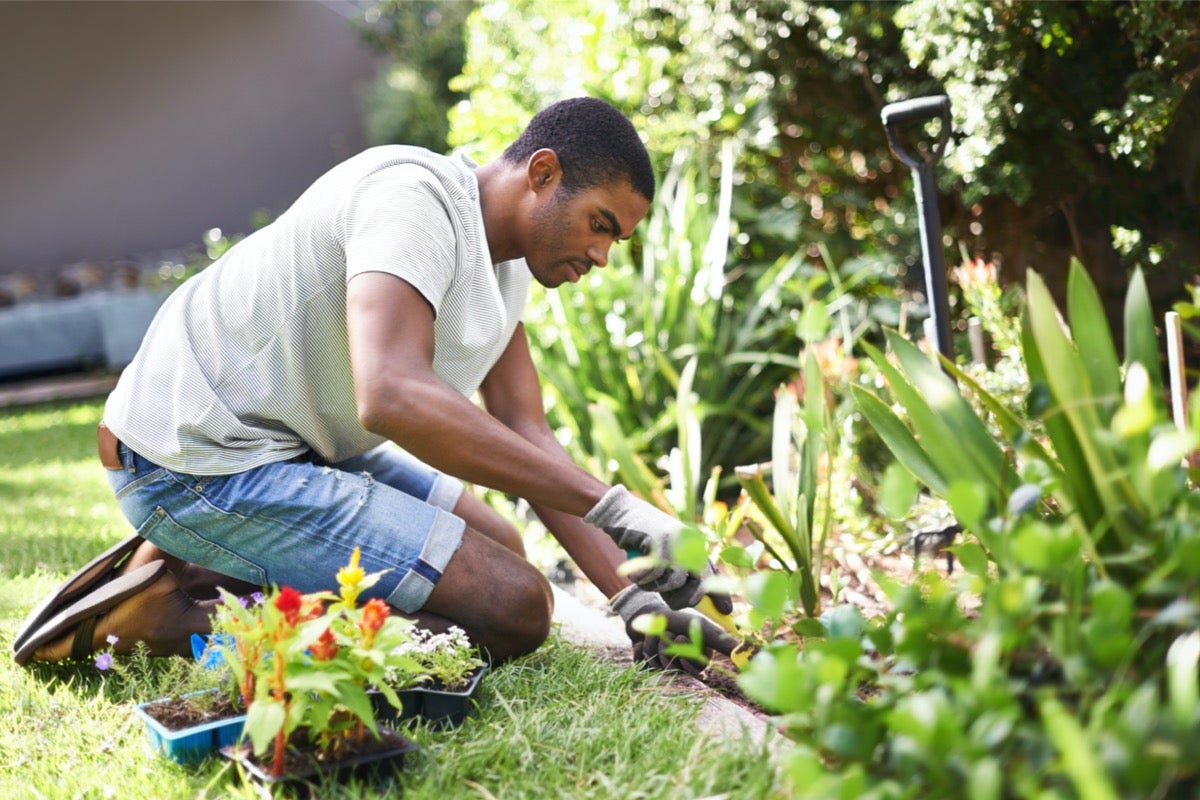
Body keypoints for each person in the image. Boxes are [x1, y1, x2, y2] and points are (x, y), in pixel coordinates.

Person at [12, 97, 735, 674]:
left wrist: (634, 596)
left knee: (500, 544)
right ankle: (176, 620)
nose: (602, 254)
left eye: (617, 238)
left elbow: (526, 430)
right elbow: (389, 394)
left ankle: (202, 566)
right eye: (598, 224)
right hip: (194, 461)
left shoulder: (507, 266)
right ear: (542, 172)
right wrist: (616, 507)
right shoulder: (413, 199)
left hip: (295, 446)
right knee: (514, 607)